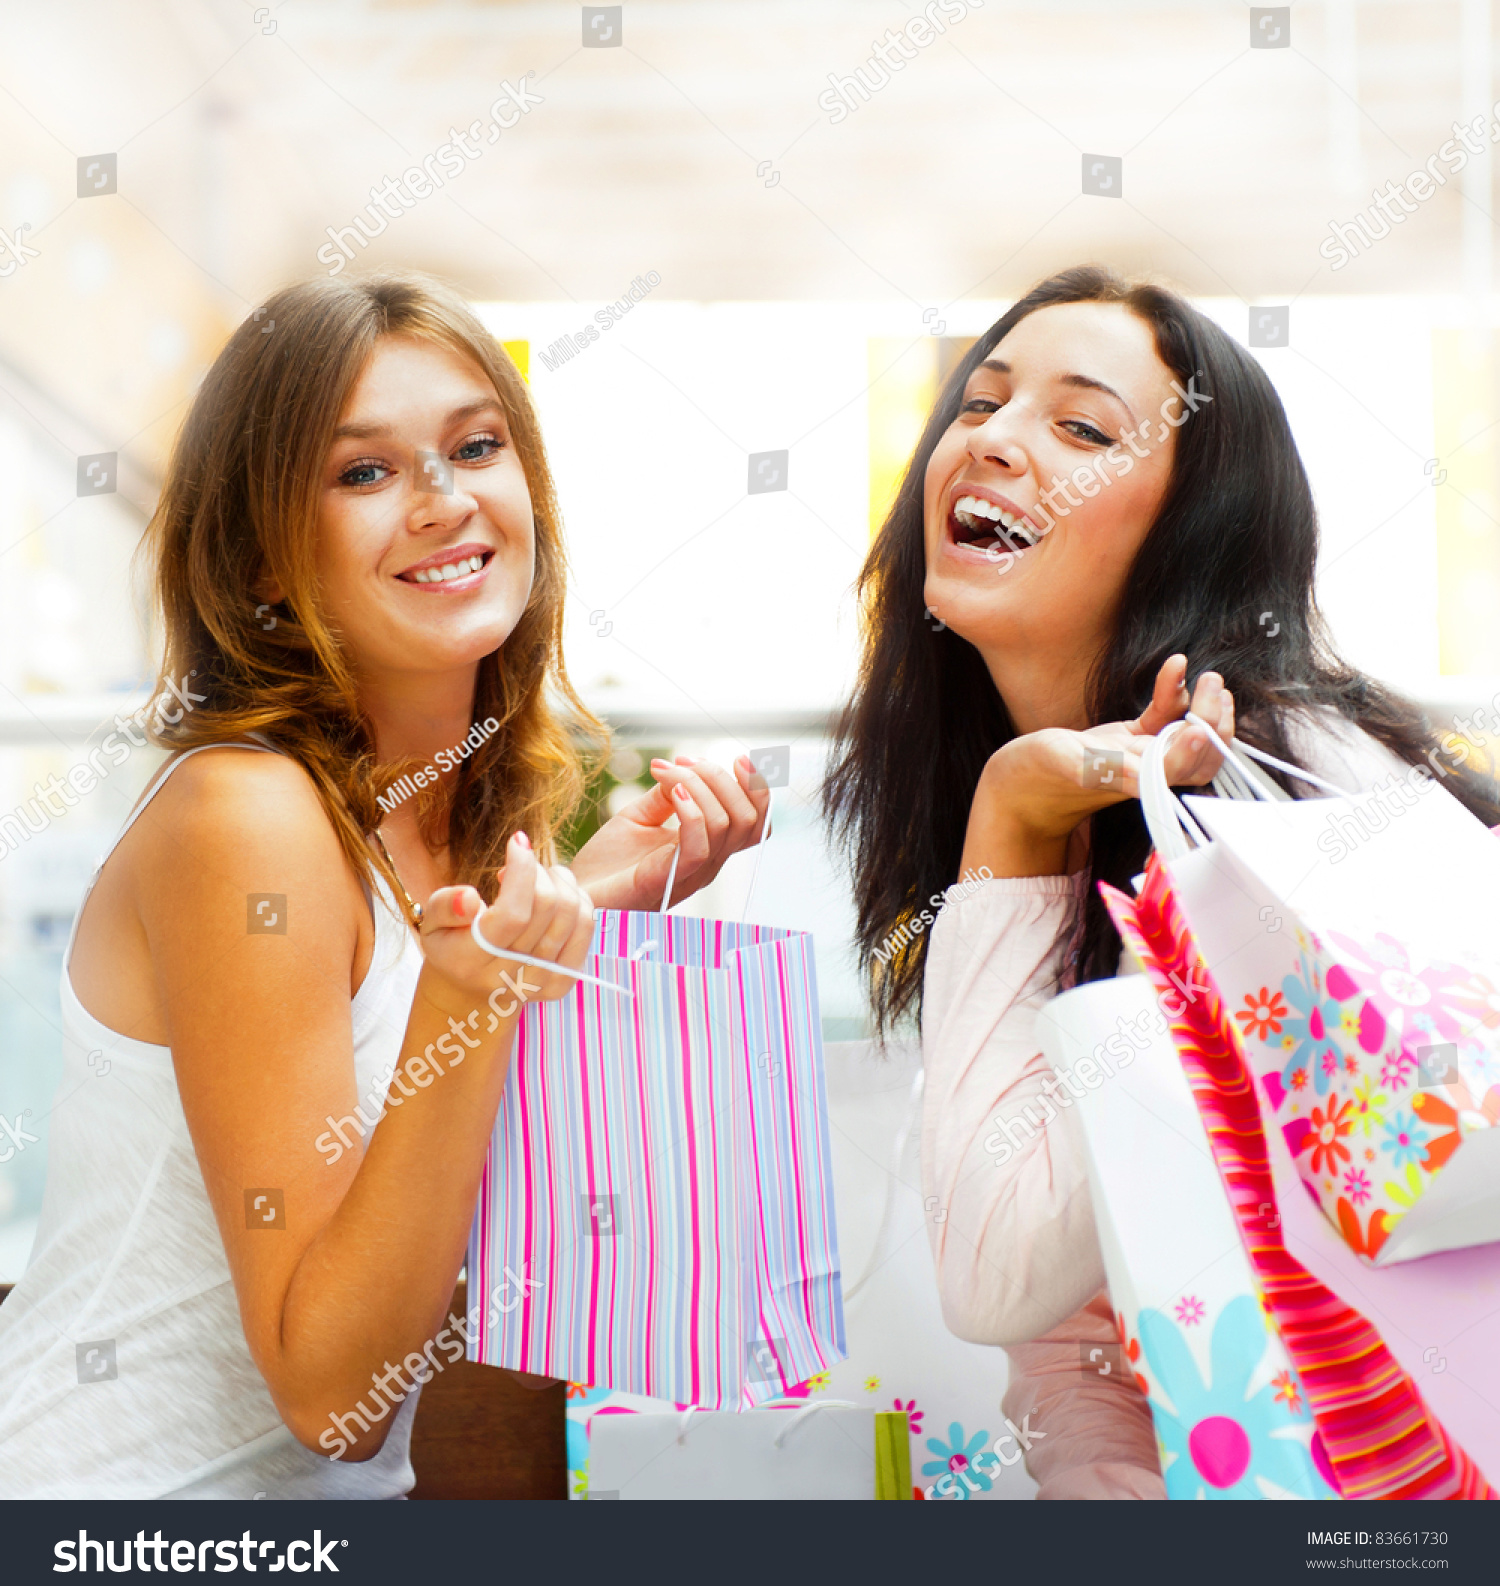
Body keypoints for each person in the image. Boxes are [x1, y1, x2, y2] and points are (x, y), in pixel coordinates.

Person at [0, 270, 768, 1498]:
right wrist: (486, 998)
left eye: (476, 445)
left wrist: (593, 895)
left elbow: (399, 1066)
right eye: (364, 473)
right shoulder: (244, 818)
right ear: (261, 559)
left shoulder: (439, 824)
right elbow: (333, 1396)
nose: (443, 500)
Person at [824, 264, 1500, 1499]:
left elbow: (996, 1265)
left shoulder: (1281, 785)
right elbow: (1069, 1338)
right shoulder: (1085, 802)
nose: (995, 444)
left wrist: (1012, 813)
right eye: (979, 405)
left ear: (1199, 526)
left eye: (1080, 428)